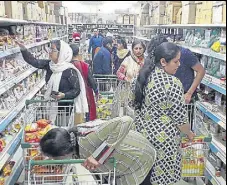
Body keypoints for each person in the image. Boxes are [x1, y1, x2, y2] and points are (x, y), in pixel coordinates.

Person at [129, 42, 195, 185]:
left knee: (145, 176)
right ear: (163, 62)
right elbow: (180, 118)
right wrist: (189, 134)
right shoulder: (173, 83)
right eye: (176, 61)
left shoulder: (142, 76)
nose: (178, 65)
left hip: (143, 137)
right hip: (164, 143)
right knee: (161, 179)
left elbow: (132, 103)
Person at [40, 116, 156, 185]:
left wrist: (98, 157)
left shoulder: (89, 139)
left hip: (140, 158)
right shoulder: (74, 138)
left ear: (63, 154)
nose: (53, 160)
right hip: (128, 158)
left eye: (53, 158)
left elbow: (126, 121)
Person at [15, 39, 88, 124]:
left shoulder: (70, 70)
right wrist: (23, 49)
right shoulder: (49, 65)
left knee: (61, 131)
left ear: (61, 53)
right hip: (49, 107)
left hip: (64, 110)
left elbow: (76, 90)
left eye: (53, 50)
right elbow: (34, 61)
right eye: (50, 49)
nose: (50, 52)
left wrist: (63, 95)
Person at [70, 44, 98, 122]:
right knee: (87, 117)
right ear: (78, 53)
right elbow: (92, 81)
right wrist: (96, 92)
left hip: (71, 97)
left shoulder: (67, 66)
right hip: (86, 95)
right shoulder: (85, 66)